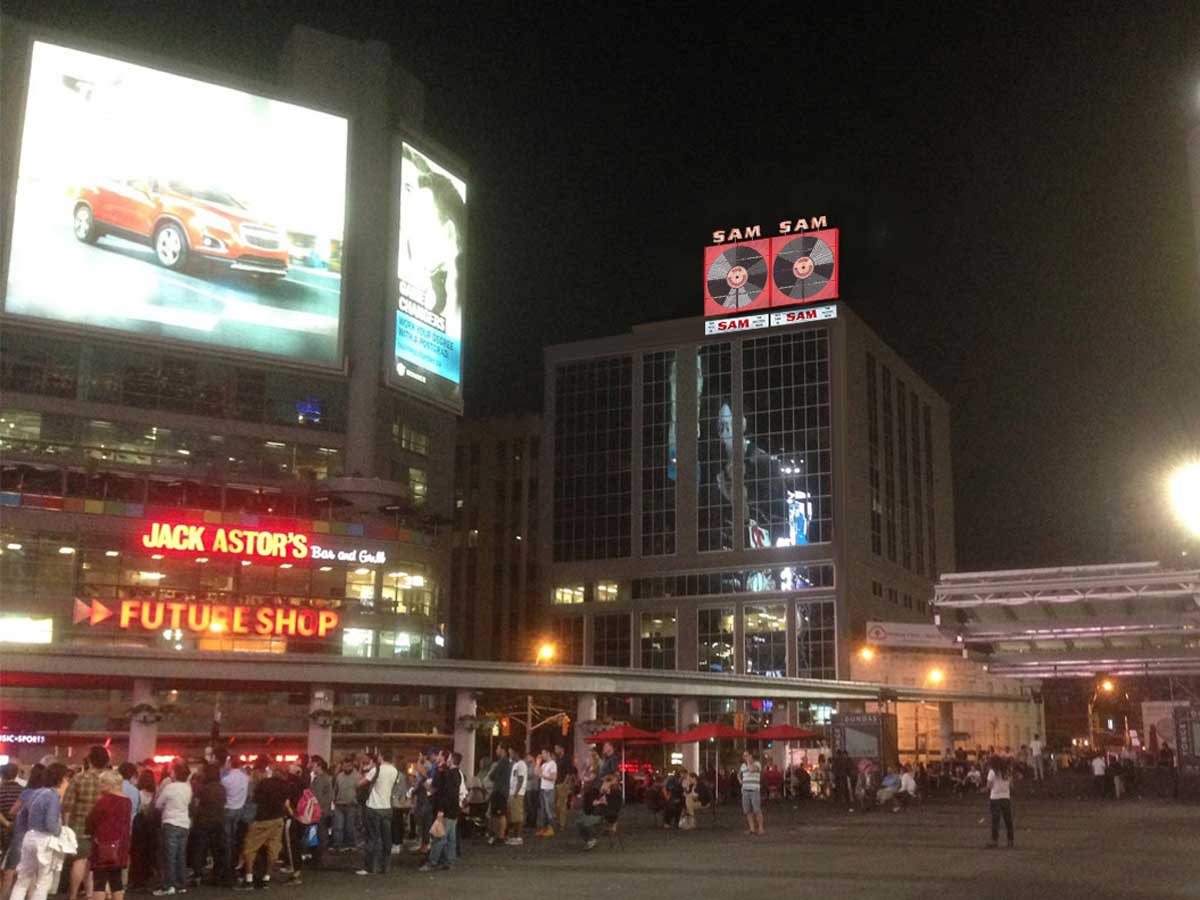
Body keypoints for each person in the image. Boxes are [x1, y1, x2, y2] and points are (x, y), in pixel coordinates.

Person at [10, 762, 71, 900]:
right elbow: (50, 824)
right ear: (61, 779)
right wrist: (60, 832)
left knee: (22, 880)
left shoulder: (36, 792)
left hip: (29, 836)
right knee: (43, 881)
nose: (68, 782)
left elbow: (21, 816)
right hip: (44, 840)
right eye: (66, 778)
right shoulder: (53, 797)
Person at [234, 761, 293, 891]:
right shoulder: (286, 786)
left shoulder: (264, 783)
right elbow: (286, 804)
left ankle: (249, 880)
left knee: (250, 849)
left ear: (274, 771)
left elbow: (255, 801)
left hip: (261, 820)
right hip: (277, 821)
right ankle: (266, 878)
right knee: (273, 850)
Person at [64, 746, 109, 900]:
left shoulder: (78, 778)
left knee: (80, 860)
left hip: (80, 825)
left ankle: (73, 895)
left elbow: (67, 805)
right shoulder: (110, 780)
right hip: (103, 827)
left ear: (89, 760)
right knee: (97, 864)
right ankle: (92, 894)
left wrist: (66, 827)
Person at [86, 770, 131, 900]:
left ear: (108, 784)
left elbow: (91, 821)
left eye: (101, 783)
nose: (99, 785)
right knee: (116, 882)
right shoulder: (127, 801)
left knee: (99, 882)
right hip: (120, 846)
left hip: (103, 845)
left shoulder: (104, 801)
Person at [2, 765, 45, 898]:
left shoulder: (26, 792)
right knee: (31, 870)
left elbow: (13, 811)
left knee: (11, 867)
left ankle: (3, 896)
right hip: (38, 835)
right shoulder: (46, 794)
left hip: (20, 833)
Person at [153, 760, 191, 896]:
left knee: (169, 856)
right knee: (181, 855)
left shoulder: (170, 787)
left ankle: (168, 885)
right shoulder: (188, 787)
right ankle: (181, 884)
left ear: (175, 773)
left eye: (172, 770)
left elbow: (158, 804)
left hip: (170, 823)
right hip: (184, 824)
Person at [357, 752, 397, 876]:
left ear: (381, 757)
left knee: (372, 838)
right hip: (387, 808)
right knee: (386, 839)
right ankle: (385, 866)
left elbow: (360, 783)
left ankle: (371, 867)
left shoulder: (377, 770)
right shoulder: (394, 771)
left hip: (373, 807)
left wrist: (362, 770)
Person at [421, 752, 462, 873]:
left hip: (446, 810)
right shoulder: (457, 774)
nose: (446, 760)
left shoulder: (449, 774)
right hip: (454, 810)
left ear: (452, 760)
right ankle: (449, 861)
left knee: (439, 837)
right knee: (450, 838)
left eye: (448, 758)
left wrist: (441, 810)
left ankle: (433, 862)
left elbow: (446, 795)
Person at [188, 765, 225, 888]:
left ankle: (198, 875)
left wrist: (193, 815)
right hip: (218, 821)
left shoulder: (203, 789)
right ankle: (217, 875)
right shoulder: (222, 788)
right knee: (216, 850)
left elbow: (195, 805)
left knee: (199, 850)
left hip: (202, 822)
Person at [576, 774, 623, 850]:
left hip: (604, 816)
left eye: (605, 783)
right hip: (596, 813)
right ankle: (590, 839)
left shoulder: (616, 795)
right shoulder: (599, 792)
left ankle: (592, 839)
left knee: (583, 822)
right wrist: (597, 799)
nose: (603, 784)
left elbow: (613, 811)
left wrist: (602, 802)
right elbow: (589, 799)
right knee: (579, 820)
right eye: (603, 783)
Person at [984, 755, 1014, 848]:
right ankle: (1010, 840)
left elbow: (988, 786)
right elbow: (1012, 784)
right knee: (1008, 820)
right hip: (1006, 797)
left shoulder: (992, 771)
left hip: (995, 797)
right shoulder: (1007, 771)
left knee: (995, 820)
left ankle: (994, 840)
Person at [308, 758, 333, 868]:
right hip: (318, 811)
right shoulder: (319, 778)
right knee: (316, 835)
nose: (310, 765)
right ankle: (317, 859)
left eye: (312, 764)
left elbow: (318, 797)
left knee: (320, 836)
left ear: (318, 765)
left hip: (319, 812)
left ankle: (320, 860)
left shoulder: (323, 779)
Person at [331, 757, 359, 852]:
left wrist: (356, 801)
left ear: (352, 766)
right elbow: (335, 789)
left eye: (348, 766)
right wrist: (333, 799)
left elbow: (360, 791)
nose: (346, 768)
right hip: (339, 804)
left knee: (349, 827)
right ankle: (338, 845)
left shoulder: (357, 776)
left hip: (351, 805)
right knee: (338, 826)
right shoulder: (339, 776)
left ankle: (351, 844)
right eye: (344, 766)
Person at [485, 745, 511, 846]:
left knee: (499, 814)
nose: (496, 751)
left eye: (498, 748)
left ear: (502, 750)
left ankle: (500, 835)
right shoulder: (506, 762)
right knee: (499, 814)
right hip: (502, 791)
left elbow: (492, 775)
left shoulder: (502, 762)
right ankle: (499, 835)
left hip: (499, 791)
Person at [505, 746, 527, 847]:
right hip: (513, 793)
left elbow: (521, 779)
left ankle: (518, 837)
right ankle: (514, 837)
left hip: (517, 794)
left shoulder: (521, 764)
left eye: (511, 752)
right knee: (513, 815)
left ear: (516, 753)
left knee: (517, 816)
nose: (510, 755)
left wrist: (516, 793)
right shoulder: (516, 764)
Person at [739, 751, 763, 835]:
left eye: (747, 755)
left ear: (751, 755)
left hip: (754, 790)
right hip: (745, 790)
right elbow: (739, 774)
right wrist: (741, 781)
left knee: (757, 809)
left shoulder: (757, 764)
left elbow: (751, 770)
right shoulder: (743, 765)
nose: (745, 757)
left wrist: (749, 762)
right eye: (744, 756)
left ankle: (760, 828)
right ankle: (752, 828)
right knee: (747, 810)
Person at [535, 750, 557, 837]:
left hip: (549, 789)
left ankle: (551, 828)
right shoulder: (544, 764)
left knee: (549, 810)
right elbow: (536, 773)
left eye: (543, 753)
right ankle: (544, 828)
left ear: (548, 753)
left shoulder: (552, 764)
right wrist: (538, 763)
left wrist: (543, 776)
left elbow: (554, 777)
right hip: (543, 788)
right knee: (543, 810)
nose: (542, 755)